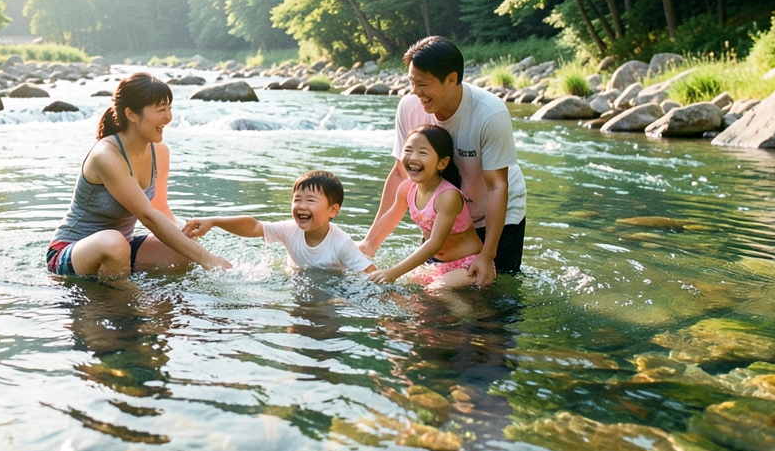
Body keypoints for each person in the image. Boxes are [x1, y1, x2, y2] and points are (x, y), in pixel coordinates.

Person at [359, 37, 527, 286]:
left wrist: (487, 254)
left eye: (423, 84)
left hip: (494, 212)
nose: (415, 91)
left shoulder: (490, 113)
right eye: (411, 82)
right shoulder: (409, 106)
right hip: (442, 213)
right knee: (429, 293)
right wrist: (369, 243)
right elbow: (400, 175)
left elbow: (497, 186)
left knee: (496, 292)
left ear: (451, 79)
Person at [47, 72, 231, 280]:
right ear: (132, 115)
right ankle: (127, 296)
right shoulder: (106, 156)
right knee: (113, 242)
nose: (169, 118)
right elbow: (148, 216)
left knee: (183, 248)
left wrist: (188, 237)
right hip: (70, 252)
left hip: (123, 248)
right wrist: (208, 259)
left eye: (169, 108)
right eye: (161, 110)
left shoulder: (159, 152)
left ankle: (157, 294)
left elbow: (160, 209)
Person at [181, 171, 376, 274]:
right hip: (295, 279)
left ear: (332, 210)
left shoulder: (342, 244)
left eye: (310, 200)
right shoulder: (290, 229)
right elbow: (254, 227)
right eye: (297, 199)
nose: (301, 206)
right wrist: (214, 221)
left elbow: (371, 275)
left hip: (332, 289)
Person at [367, 125, 483, 286]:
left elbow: (435, 243)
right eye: (408, 150)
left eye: (422, 153)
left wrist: (393, 272)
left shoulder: (447, 196)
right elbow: (389, 219)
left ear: (442, 163)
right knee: (397, 287)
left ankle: (475, 304)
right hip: (434, 264)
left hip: (467, 264)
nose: (413, 157)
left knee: (435, 290)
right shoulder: (407, 189)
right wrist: (367, 246)